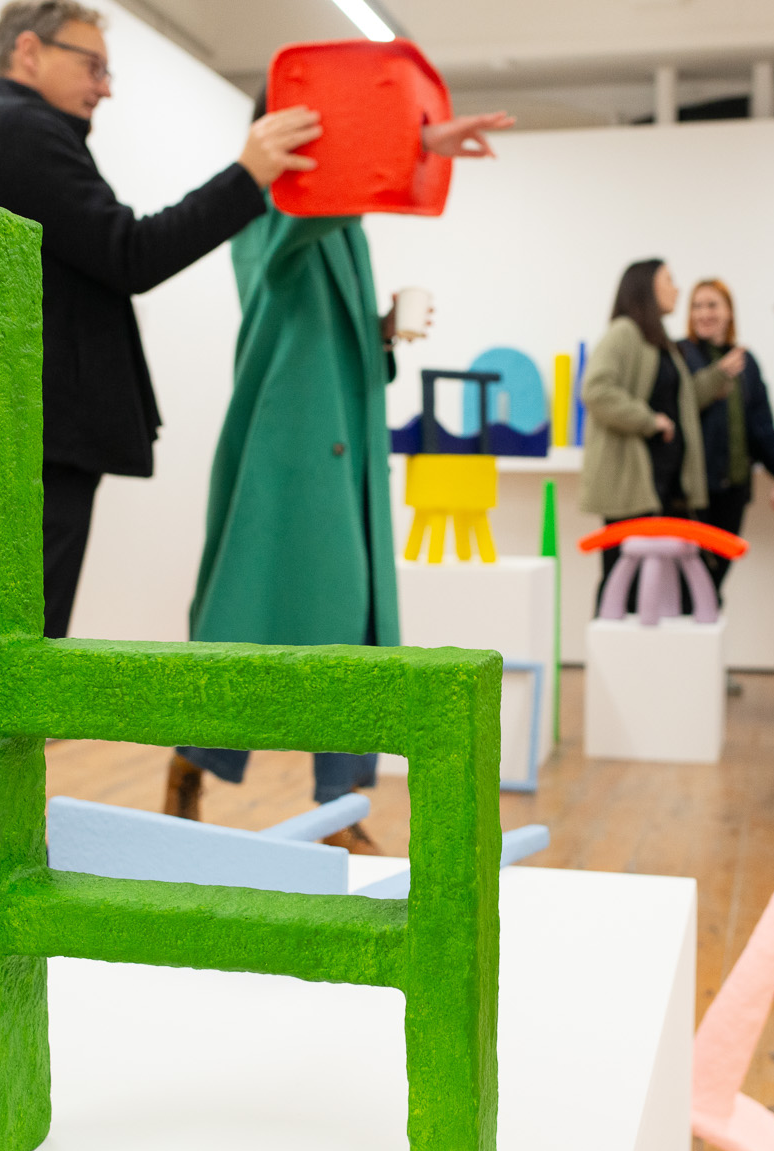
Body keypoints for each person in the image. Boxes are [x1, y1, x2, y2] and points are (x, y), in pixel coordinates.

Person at [162, 94, 513, 849]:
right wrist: (417, 141)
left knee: (347, 630)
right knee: (252, 628)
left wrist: (378, 331)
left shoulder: (342, 226)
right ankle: (199, 764)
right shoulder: (267, 204)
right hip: (285, 454)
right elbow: (299, 242)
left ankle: (337, 808)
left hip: (339, 448)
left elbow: (325, 332)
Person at [0, 0, 323, 638]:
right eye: (92, 66)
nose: (103, 89)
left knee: (15, 647)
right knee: (17, 652)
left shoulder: (15, 133)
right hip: (25, 436)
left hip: (24, 434)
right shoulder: (14, 130)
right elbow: (129, 254)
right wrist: (246, 177)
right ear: (29, 51)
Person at [580, 259, 746, 610]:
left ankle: (647, 662)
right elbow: (595, 389)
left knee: (654, 589)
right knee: (621, 583)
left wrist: (716, 377)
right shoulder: (624, 332)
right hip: (631, 486)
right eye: (669, 280)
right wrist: (649, 420)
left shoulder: (660, 343)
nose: (677, 289)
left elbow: (681, 405)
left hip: (662, 488)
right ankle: (612, 661)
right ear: (646, 288)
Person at [676, 279, 774, 603]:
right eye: (697, 305)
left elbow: (762, 428)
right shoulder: (679, 354)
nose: (704, 313)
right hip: (693, 490)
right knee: (691, 583)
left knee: (716, 579)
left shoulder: (746, 362)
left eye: (712, 305)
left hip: (733, 489)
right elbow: (677, 406)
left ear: (729, 312)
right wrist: (716, 377)